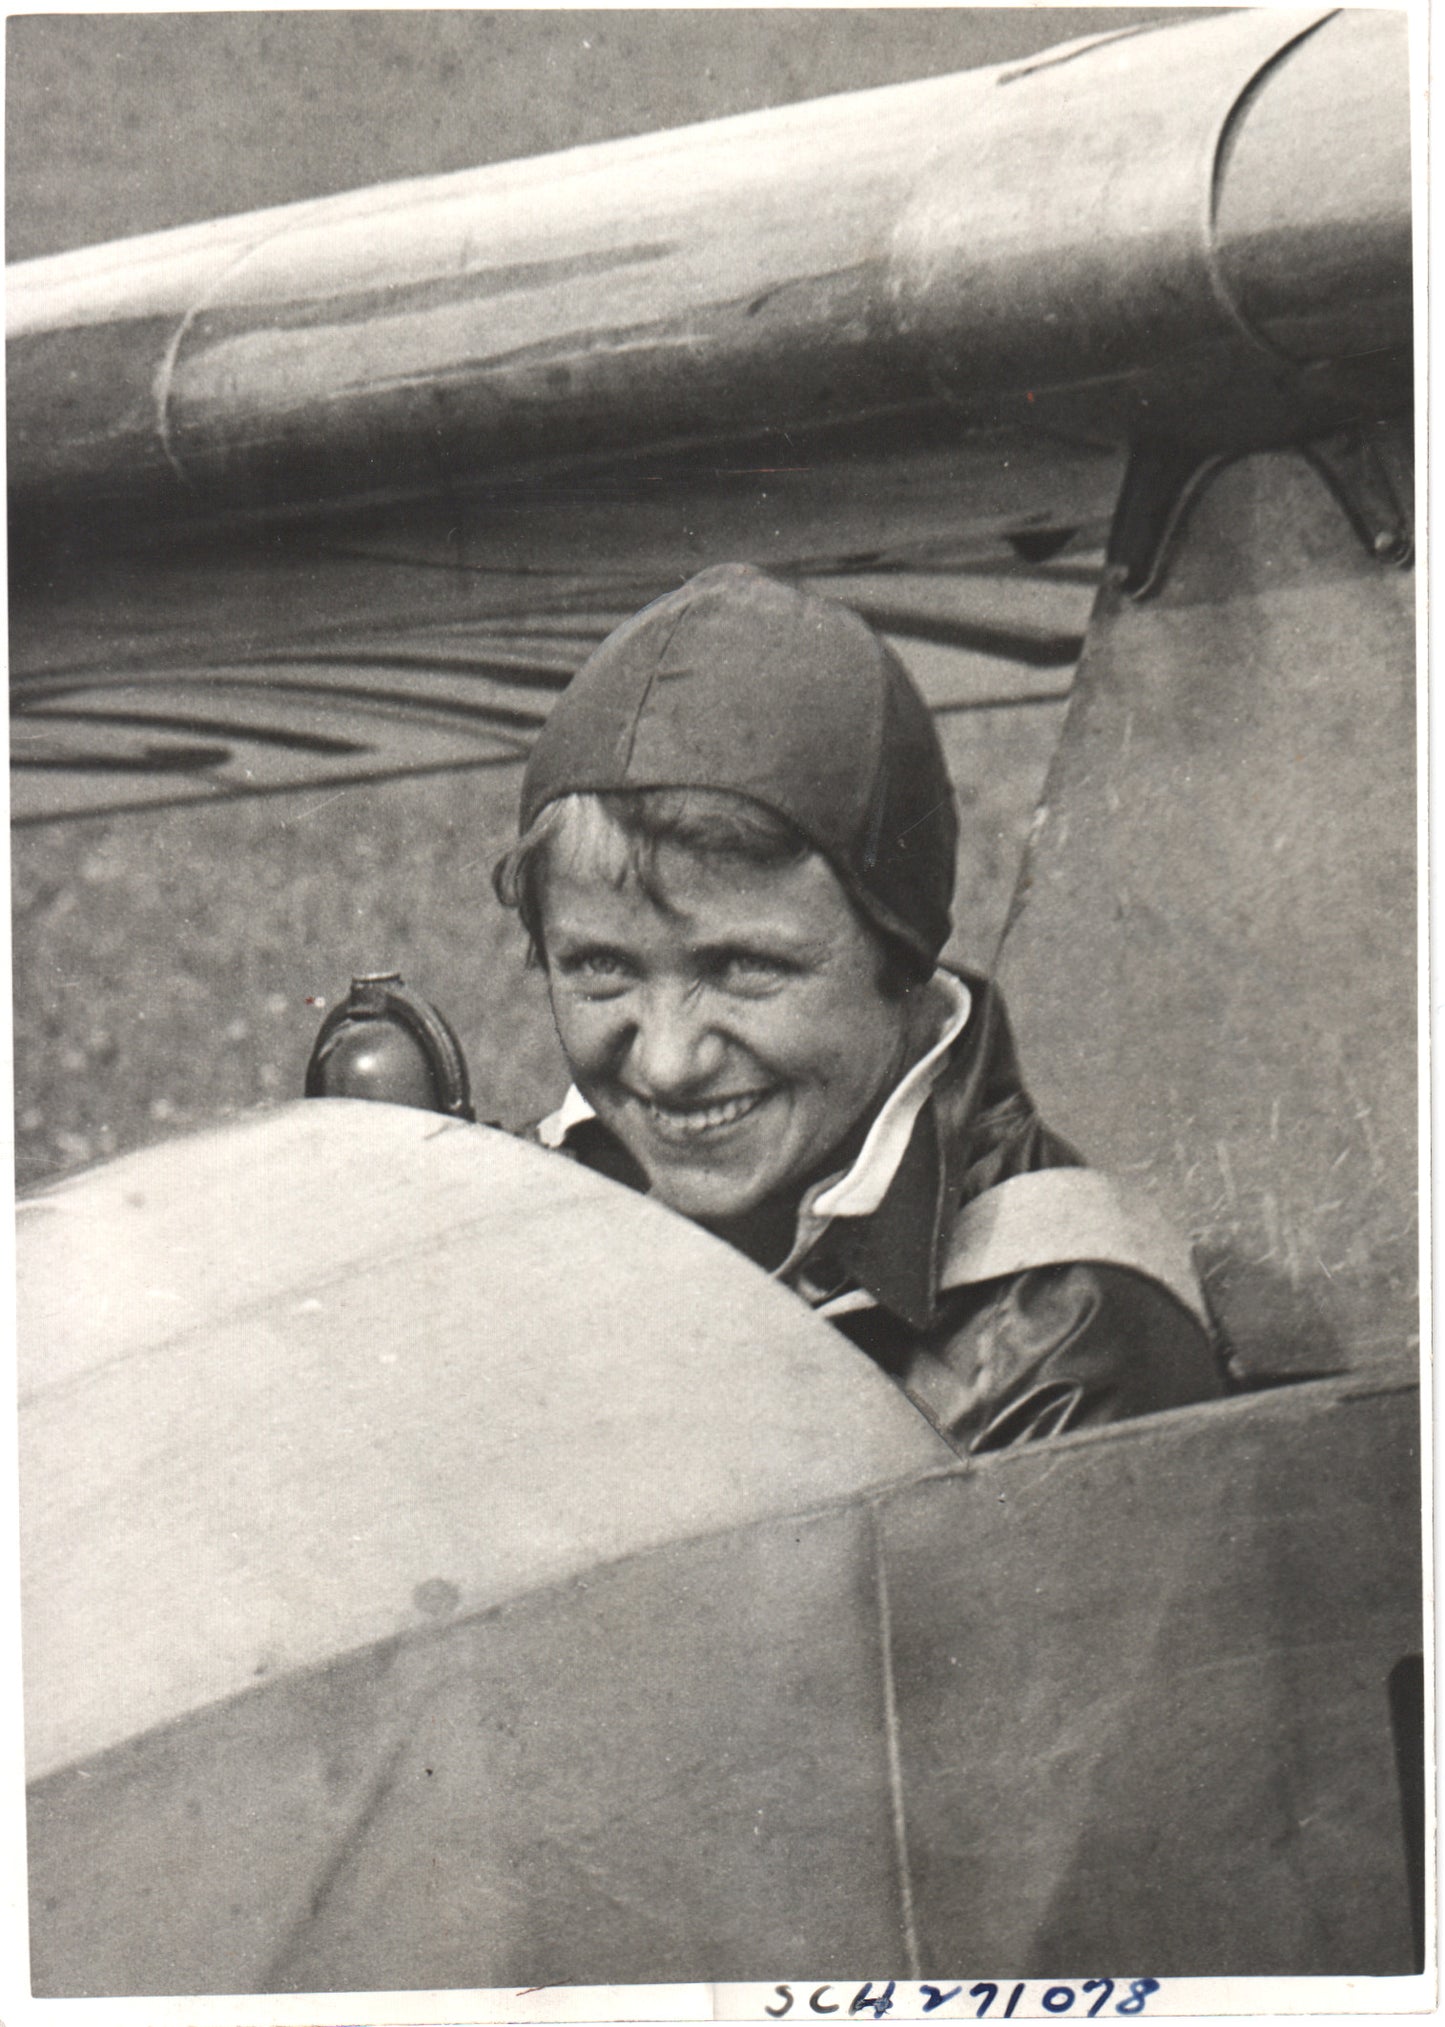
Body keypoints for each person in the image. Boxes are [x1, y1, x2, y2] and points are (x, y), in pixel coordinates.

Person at [493, 563, 1225, 1453]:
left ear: (901, 951)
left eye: (742, 968)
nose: (666, 1061)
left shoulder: (1059, 1338)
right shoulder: (515, 1205)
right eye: (600, 968)